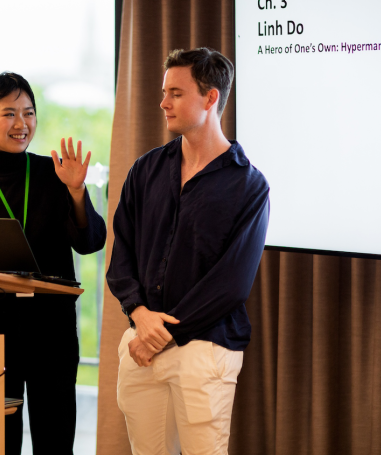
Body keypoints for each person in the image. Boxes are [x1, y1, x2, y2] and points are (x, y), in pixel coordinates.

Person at [106, 48, 270, 455]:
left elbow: (231, 284)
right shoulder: (146, 169)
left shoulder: (249, 185)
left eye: (176, 93)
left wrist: (162, 335)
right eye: (165, 92)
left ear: (211, 98)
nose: (163, 103)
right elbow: (122, 249)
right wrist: (139, 314)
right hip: (141, 339)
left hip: (204, 349)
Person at [0, 72, 106, 455]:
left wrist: (77, 191)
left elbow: (90, 242)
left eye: (29, 112)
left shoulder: (56, 175)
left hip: (52, 330)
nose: (22, 124)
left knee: (55, 436)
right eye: (9, 114)